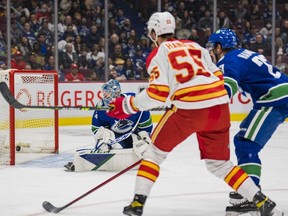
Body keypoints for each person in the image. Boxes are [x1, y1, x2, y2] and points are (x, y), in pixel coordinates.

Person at [106, 12, 283, 216]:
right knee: (220, 165)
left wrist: (126, 105)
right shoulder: (195, 46)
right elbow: (217, 76)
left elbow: (157, 93)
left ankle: (137, 205)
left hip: (189, 110)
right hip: (219, 110)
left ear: (154, 33)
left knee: (153, 154)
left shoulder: (157, 54)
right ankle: (262, 202)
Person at [208, 28, 287, 215]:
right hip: (281, 93)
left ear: (219, 47)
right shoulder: (245, 53)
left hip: (273, 99)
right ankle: (248, 191)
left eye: (212, 47)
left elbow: (227, 88)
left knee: (246, 143)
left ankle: (251, 196)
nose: (211, 51)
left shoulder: (228, 61)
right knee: (245, 141)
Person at [64, 79, 153, 172]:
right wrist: (104, 140)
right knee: (113, 146)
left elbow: (145, 124)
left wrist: (145, 136)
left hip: (134, 135)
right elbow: (97, 128)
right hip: (116, 137)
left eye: (108, 93)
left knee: (143, 148)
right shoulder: (102, 108)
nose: (105, 96)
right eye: (105, 93)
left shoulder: (132, 102)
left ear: (117, 92)